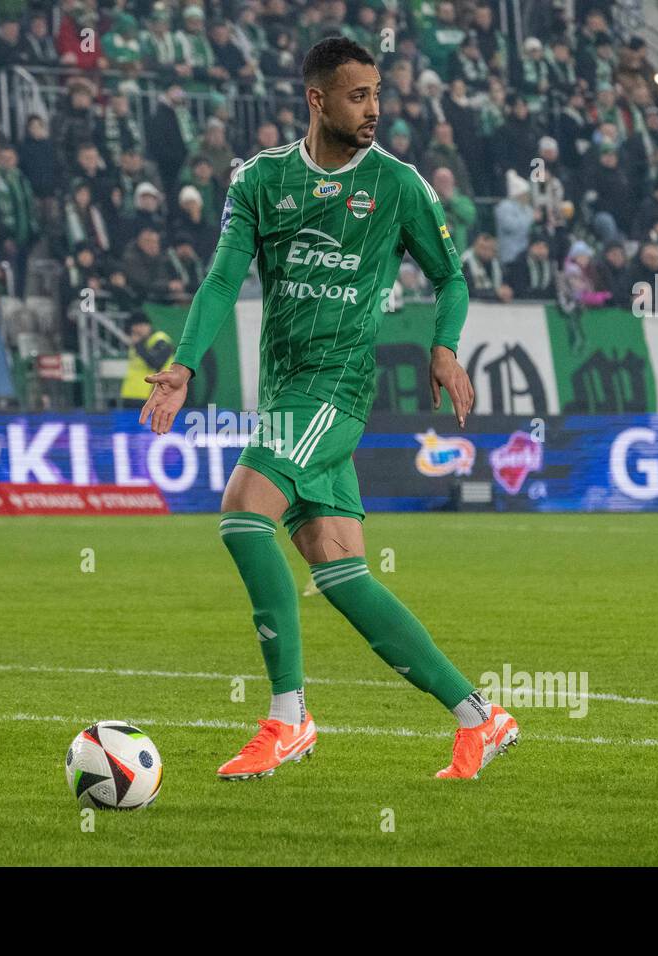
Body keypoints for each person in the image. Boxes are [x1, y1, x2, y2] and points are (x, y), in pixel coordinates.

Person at [137, 37, 517, 783]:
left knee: (243, 513)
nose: (373, 108)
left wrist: (444, 346)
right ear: (317, 99)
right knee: (340, 569)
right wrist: (182, 364)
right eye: (357, 96)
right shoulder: (260, 180)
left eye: (377, 94)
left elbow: (453, 279)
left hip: (335, 388)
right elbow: (221, 281)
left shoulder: (400, 186)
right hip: (286, 391)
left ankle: (288, 717)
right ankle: (482, 717)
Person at [119, 312, 175, 408]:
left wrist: (138, 345)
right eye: (135, 326)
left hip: (152, 396)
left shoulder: (160, 339)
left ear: (148, 325)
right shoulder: (137, 343)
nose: (137, 329)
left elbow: (155, 363)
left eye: (141, 325)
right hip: (129, 395)